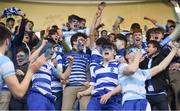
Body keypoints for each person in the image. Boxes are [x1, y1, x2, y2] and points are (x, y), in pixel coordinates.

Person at [119, 42, 178, 110]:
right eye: (135, 51)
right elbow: (132, 69)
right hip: (130, 102)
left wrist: (174, 50)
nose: (139, 53)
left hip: (143, 102)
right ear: (127, 56)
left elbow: (161, 66)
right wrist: (137, 58)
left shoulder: (142, 72)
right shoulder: (122, 67)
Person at [0, 25, 47, 110]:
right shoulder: (6, 62)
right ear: (7, 41)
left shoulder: (24, 63)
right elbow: (19, 93)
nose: (19, 58)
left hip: (26, 98)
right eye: (17, 56)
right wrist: (30, 71)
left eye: (21, 56)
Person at [77, 42, 122, 110]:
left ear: (115, 53)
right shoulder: (96, 68)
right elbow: (92, 87)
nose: (106, 50)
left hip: (113, 97)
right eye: (104, 49)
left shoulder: (119, 66)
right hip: (97, 97)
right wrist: (82, 93)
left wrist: (109, 94)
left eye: (110, 48)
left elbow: (121, 85)